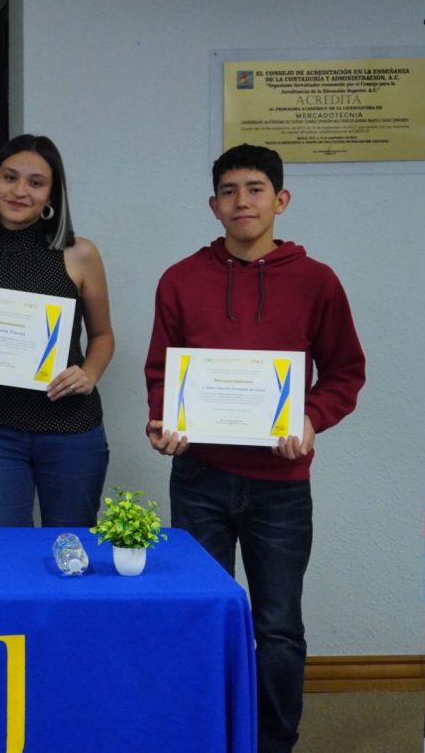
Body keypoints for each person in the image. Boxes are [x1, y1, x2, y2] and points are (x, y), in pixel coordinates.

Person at [144, 143, 365, 753]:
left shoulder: (317, 281)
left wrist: (311, 419)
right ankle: (207, 735)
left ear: (281, 200)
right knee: (201, 615)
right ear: (213, 205)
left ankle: (274, 741)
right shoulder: (180, 279)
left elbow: (345, 372)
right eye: (229, 191)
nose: (242, 201)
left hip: (280, 488)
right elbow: (161, 371)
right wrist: (163, 422)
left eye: (256, 189)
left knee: (278, 627)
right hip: (200, 478)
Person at [0, 134, 114, 527]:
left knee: (71, 548)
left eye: (35, 182)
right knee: (1, 551)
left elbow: (102, 336)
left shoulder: (80, 255)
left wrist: (89, 373)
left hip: (72, 428)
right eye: (10, 177)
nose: (19, 191)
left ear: (51, 195)